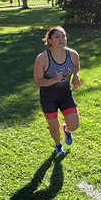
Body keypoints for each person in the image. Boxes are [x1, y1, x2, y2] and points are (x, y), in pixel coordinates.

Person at [34, 26, 81, 155]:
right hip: (48, 97)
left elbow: (76, 66)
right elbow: (38, 81)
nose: (62, 39)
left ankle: (66, 129)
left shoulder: (72, 54)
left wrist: (76, 75)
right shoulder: (42, 58)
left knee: (75, 125)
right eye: (57, 37)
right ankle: (58, 145)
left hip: (65, 94)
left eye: (64, 36)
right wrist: (54, 80)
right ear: (49, 40)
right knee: (54, 126)